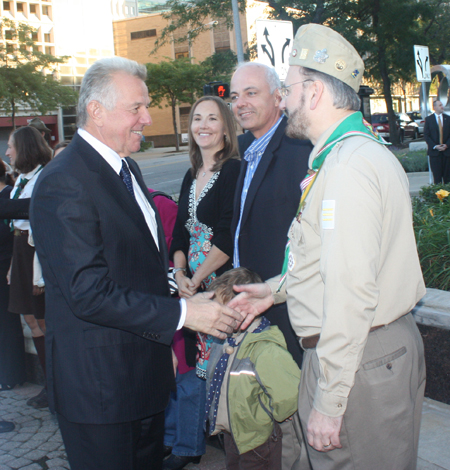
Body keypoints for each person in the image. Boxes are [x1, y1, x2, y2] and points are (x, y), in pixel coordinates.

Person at [29, 57, 242, 470]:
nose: (147, 117)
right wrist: (183, 313)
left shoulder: (126, 167)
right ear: (96, 110)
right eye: (136, 108)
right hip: (100, 392)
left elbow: (137, 262)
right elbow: (87, 293)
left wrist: (173, 287)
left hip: (143, 381)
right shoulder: (64, 180)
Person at [229, 24, 426, 470]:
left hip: (359, 360)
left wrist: (330, 401)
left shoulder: (346, 168)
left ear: (314, 92)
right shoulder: (346, 156)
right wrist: (276, 291)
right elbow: (326, 258)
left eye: (289, 88)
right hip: (360, 353)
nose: (282, 99)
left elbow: (351, 291)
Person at [229, 62, 312, 470]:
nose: (240, 103)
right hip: (254, 302)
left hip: (287, 307)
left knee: (297, 416)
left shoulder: (298, 150)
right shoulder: (247, 151)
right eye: (234, 95)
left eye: (250, 93)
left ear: (278, 97)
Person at [165, 95, 240, 470]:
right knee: (190, 364)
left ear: (226, 128)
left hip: (218, 283)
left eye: (213, 118)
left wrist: (195, 280)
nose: (203, 125)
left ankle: (202, 445)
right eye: (197, 118)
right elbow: (179, 234)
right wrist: (179, 275)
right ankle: (185, 441)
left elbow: (226, 238)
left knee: (213, 368)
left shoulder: (234, 170)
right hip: (189, 285)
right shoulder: (189, 173)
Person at [205, 267, 301, 470]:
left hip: (258, 439)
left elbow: (289, 395)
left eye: (220, 311)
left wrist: (266, 417)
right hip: (233, 434)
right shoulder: (225, 343)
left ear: (242, 309)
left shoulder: (264, 349)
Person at [6, 127, 51, 408]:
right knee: (30, 319)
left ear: (24, 148)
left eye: (11, 146)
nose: (7, 151)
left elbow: (30, 212)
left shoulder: (44, 177)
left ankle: (58, 385)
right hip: (20, 249)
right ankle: (49, 384)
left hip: (37, 252)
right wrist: (13, 264)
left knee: (45, 319)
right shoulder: (22, 178)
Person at [0, 159, 26, 392]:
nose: (8, 152)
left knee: (7, 323)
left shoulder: (10, 195)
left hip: (8, 267)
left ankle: (11, 374)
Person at [424, 99, 450, 184]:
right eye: (440, 105)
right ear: (434, 107)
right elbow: (426, 136)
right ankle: (438, 196)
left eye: (442, 105)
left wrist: (446, 145)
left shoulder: (448, 118)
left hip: (447, 153)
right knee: (437, 178)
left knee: (447, 178)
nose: (442, 107)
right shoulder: (429, 119)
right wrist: (435, 146)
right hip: (435, 154)